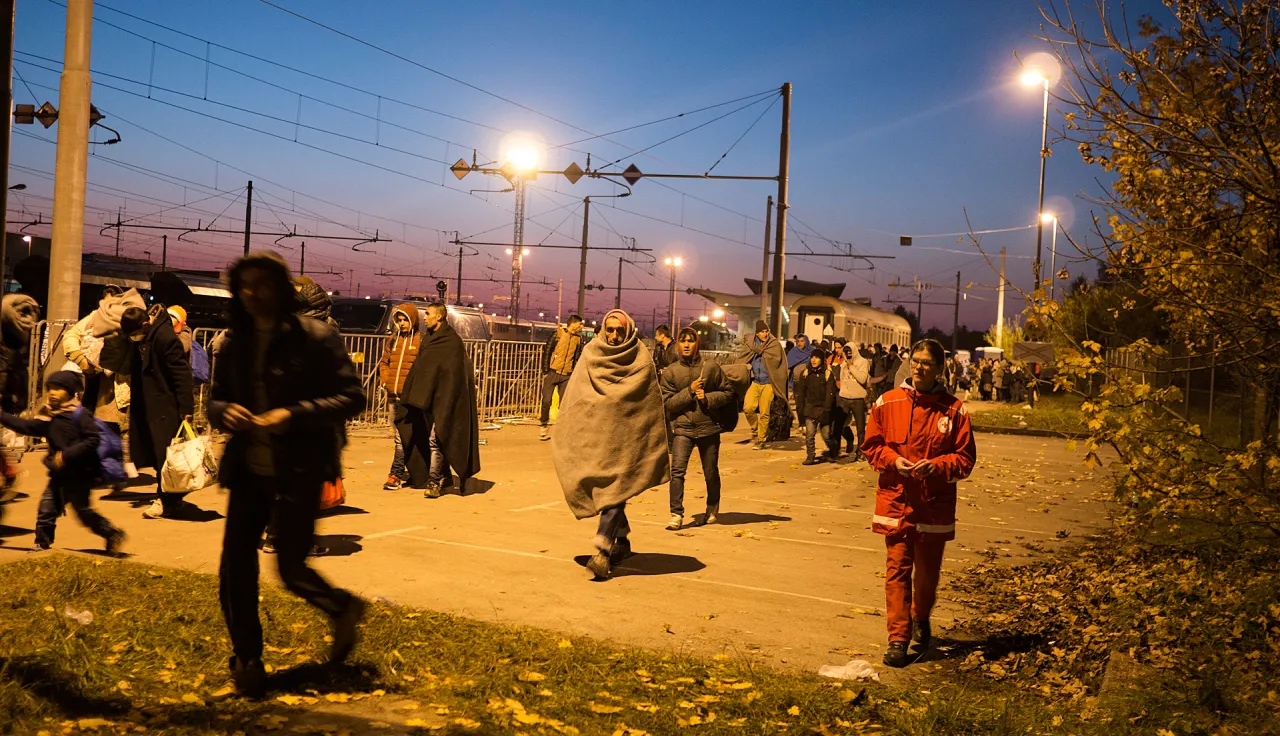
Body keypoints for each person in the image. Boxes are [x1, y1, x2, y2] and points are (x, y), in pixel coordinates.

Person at [207, 251, 367, 697]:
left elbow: (352, 398)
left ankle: (342, 608)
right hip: (248, 469)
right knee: (235, 567)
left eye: (263, 284)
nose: (253, 294)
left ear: (281, 288)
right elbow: (215, 399)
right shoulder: (235, 342)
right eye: (244, 286)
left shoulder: (316, 337)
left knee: (290, 567)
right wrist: (224, 412)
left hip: (300, 465)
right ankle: (247, 660)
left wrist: (291, 415)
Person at [861, 338, 976, 668]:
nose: (919, 367)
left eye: (927, 363)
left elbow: (965, 458)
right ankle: (898, 638)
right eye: (916, 361)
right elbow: (872, 446)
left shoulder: (954, 410)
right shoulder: (887, 402)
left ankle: (920, 617)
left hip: (933, 505)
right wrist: (893, 461)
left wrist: (937, 466)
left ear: (939, 369)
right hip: (896, 501)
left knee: (926, 574)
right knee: (896, 570)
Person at [552, 309, 668, 581]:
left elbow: (647, 404)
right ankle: (622, 541)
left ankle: (602, 551)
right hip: (597, 439)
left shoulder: (640, 358)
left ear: (628, 331)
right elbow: (577, 396)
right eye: (610, 329)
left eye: (620, 330)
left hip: (628, 441)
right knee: (608, 493)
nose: (614, 335)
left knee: (615, 490)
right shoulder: (591, 353)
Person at [1, 371, 126, 554]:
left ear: (70, 392)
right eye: (50, 388)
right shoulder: (50, 416)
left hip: (80, 476)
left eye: (58, 389)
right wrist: (3, 416)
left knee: (83, 512)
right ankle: (42, 544)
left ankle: (112, 533)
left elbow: (92, 440)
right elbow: (28, 427)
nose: (52, 393)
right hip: (59, 476)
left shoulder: (80, 415)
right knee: (46, 509)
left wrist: (66, 455)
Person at [102, 305, 194, 519]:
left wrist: (186, 408)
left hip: (165, 406)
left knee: (164, 456)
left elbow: (181, 374)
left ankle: (165, 500)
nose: (133, 338)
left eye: (134, 333)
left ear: (145, 325)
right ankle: (172, 498)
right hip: (148, 404)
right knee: (157, 455)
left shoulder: (165, 338)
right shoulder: (146, 336)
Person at [399, 303, 481, 498]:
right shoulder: (428, 339)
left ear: (439, 317)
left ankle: (434, 481)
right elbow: (423, 369)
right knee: (430, 437)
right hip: (428, 399)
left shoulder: (452, 341)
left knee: (437, 438)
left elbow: (456, 373)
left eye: (428, 314)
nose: (424, 317)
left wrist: (446, 393)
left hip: (448, 398)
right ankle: (444, 477)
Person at [660, 326, 734, 530]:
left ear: (697, 344)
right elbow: (668, 403)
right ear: (678, 344)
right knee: (677, 472)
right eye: (683, 340)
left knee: (710, 472)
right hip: (682, 429)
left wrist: (708, 398)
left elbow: (728, 393)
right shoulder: (671, 372)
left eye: (690, 341)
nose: (686, 344)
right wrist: (690, 391)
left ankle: (712, 507)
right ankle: (676, 514)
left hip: (708, 428)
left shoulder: (711, 368)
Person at [378, 304, 422, 491]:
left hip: (409, 399)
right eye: (399, 320)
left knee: (400, 437)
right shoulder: (393, 340)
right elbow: (384, 362)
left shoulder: (421, 341)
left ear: (413, 320)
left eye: (405, 319)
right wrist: (386, 380)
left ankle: (395, 474)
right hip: (392, 397)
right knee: (404, 437)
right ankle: (417, 472)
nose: (402, 323)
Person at [0, 294, 39, 501]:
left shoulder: (8, 339)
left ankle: (10, 473)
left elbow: (7, 369)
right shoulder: (16, 338)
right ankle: (9, 473)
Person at [735, 320, 787, 450]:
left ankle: (761, 439)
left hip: (768, 383)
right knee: (748, 408)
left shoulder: (773, 345)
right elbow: (743, 358)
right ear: (757, 333)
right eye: (762, 331)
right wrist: (745, 367)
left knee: (764, 413)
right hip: (755, 382)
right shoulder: (751, 345)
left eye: (766, 331)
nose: (765, 334)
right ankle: (756, 429)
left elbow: (778, 362)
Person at [539, 315, 585, 440]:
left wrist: (574, 373)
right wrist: (546, 370)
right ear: (573, 323)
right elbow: (547, 351)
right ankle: (543, 425)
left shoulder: (578, 339)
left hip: (567, 375)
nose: (581, 326)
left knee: (564, 403)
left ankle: (562, 429)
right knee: (546, 401)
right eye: (580, 324)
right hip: (552, 372)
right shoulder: (558, 334)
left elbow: (577, 357)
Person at [794, 349, 837, 465]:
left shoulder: (828, 374)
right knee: (809, 435)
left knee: (826, 435)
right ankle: (810, 456)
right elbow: (801, 394)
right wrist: (801, 411)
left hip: (824, 409)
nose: (813, 360)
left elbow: (830, 394)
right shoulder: (805, 373)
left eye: (817, 358)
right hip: (810, 408)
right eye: (812, 357)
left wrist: (826, 410)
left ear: (822, 360)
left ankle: (833, 452)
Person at [837, 343, 872, 460]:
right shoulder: (843, 364)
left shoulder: (863, 362)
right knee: (839, 426)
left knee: (860, 429)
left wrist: (851, 367)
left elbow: (862, 379)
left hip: (858, 399)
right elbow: (842, 379)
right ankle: (840, 447)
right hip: (844, 398)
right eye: (846, 352)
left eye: (850, 352)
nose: (848, 354)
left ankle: (861, 452)